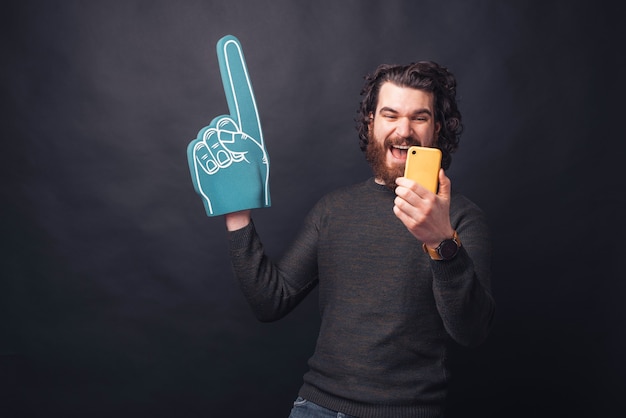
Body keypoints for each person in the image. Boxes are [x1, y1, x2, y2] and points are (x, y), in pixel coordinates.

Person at [224, 61, 495, 418]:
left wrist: (442, 242)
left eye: (419, 117)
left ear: (437, 129)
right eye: (390, 115)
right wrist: (235, 209)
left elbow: (471, 331)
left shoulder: (461, 217)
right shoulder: (333, 209)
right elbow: (271, 302)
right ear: (371, 122)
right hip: (316, 408)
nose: (404, 130)